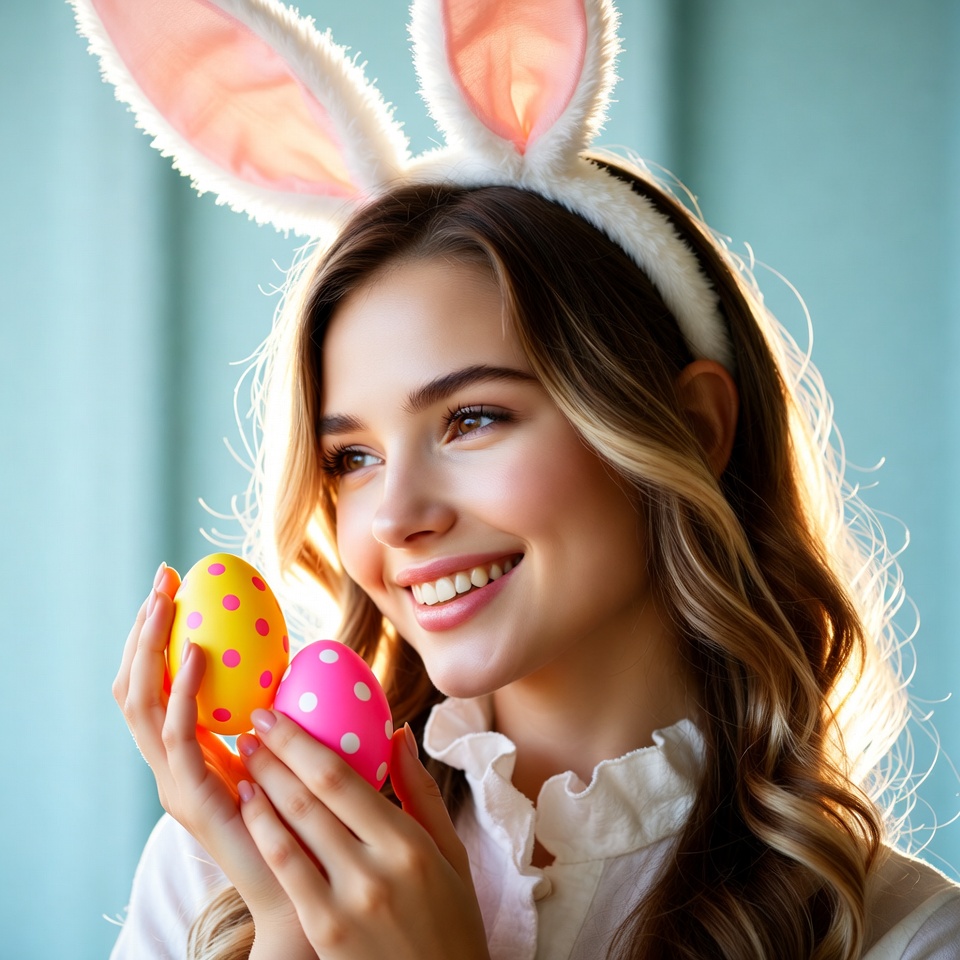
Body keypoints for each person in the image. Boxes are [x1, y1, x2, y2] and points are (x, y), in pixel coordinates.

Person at [73, 0, 960, 957]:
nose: (399, 517)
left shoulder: (896, 933)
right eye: (352, 459)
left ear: (692, 427)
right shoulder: (222, 873)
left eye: (472, 419)